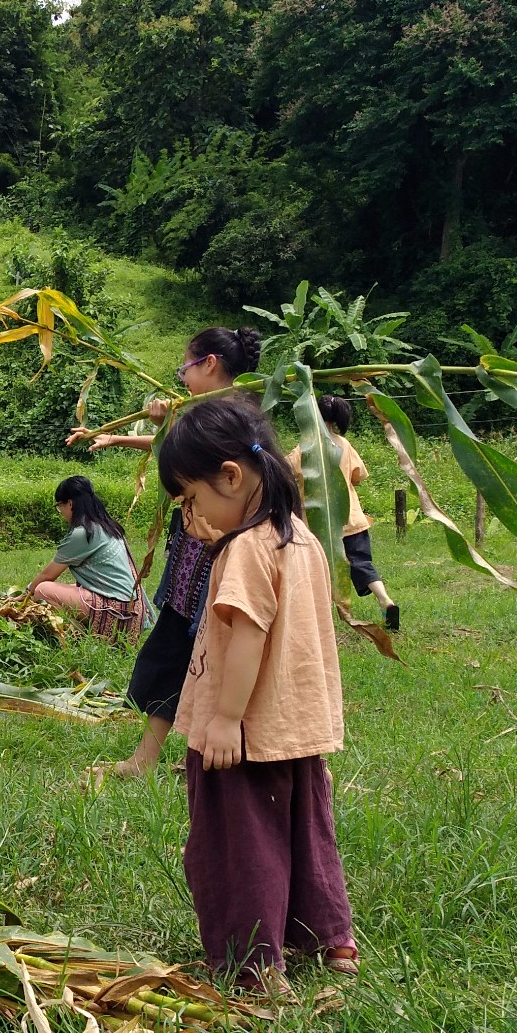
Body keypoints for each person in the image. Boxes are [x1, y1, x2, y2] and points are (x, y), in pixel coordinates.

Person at [157, 397, 357, 993]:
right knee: (306, 834)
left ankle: (254, 966)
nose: (190, 512)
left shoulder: (245, 549)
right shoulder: (298, 537)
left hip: (242, 735)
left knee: (237, 847)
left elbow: (247, 632)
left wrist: (225, 719)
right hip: (295, 725)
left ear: (232, 476)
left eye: (191, 496)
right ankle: (330, 940)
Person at [68, 325, 262, 781]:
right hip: (190, 562)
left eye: (185, 368)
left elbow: (200, 463)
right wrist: (124, 436)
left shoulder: (233, 414)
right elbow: (182, 451)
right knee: (172, 649)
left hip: (215, 554)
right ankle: (146, 759)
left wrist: (165, 427)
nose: (183, 380)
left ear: (209, 363)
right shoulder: (211, 411)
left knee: (208, 652)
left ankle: (218, 752)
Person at [292, 395, 400, 632]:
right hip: (352, 520)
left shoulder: (304, 448)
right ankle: (385, 599)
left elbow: (290, 473)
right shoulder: (344, 444)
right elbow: (358, 475)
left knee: (319, 569)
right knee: (361, 563)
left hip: (320, 525)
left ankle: (323, 617)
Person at [28, 475, 147, 638]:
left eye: (59, 506)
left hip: (117, 612)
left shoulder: (83, 534)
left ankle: (79, 635)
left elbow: (48, 575)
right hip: (133, 609)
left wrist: (26, 594)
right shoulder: (108, 526)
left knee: (43, 590)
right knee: (69, 587)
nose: (61, 512)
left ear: (69, 504)